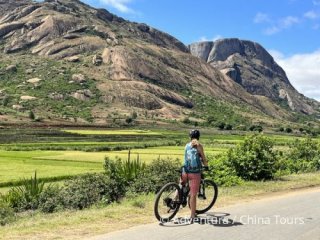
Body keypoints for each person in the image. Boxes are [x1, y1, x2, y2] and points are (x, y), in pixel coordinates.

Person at [181, 129, 208, 222]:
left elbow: (185, 158)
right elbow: (204, 158)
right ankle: (192, 215)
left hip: (185, 170)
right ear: (198, 137)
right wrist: (206, 166)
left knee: (181, 185)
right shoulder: (199, 146)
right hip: (195, 173)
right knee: (193, 195)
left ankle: (175, 201)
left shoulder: (186, 145)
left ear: (190, 137)